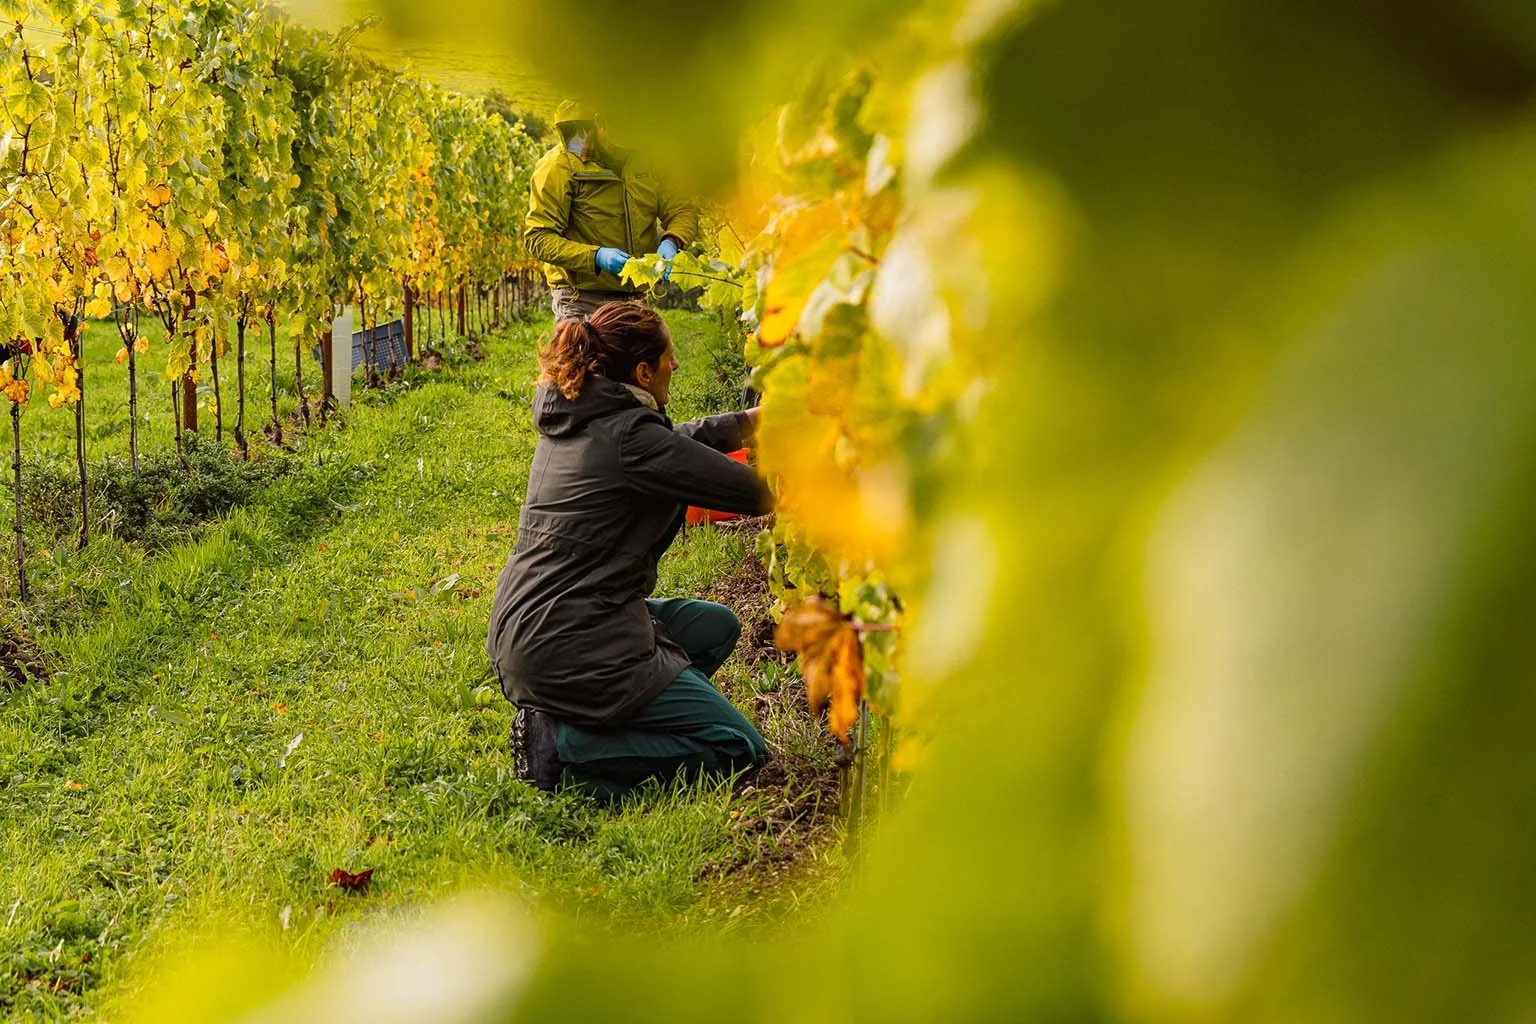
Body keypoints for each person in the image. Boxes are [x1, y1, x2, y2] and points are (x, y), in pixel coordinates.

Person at [486, 301, 772, 800]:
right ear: (643, 371)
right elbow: (755, 494)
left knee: (714, 628)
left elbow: (676, 442)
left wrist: (752, 419)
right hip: (572, 639)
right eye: (669, 357)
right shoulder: (630, 436)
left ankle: (599, 722)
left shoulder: (586, 411)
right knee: (737, 749)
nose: (675, 366)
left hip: (538, 623)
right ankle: (566, 747)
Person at [525, 101, 699, 321]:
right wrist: (596, 256)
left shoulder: (650, 158)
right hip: (581, 299)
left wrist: (673, 240)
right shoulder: (559, 166)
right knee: (587, 357)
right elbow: (538, 238)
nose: (627, 149)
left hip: (636, 297)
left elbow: (681, 209)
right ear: (600, 124)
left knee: (642, 357)